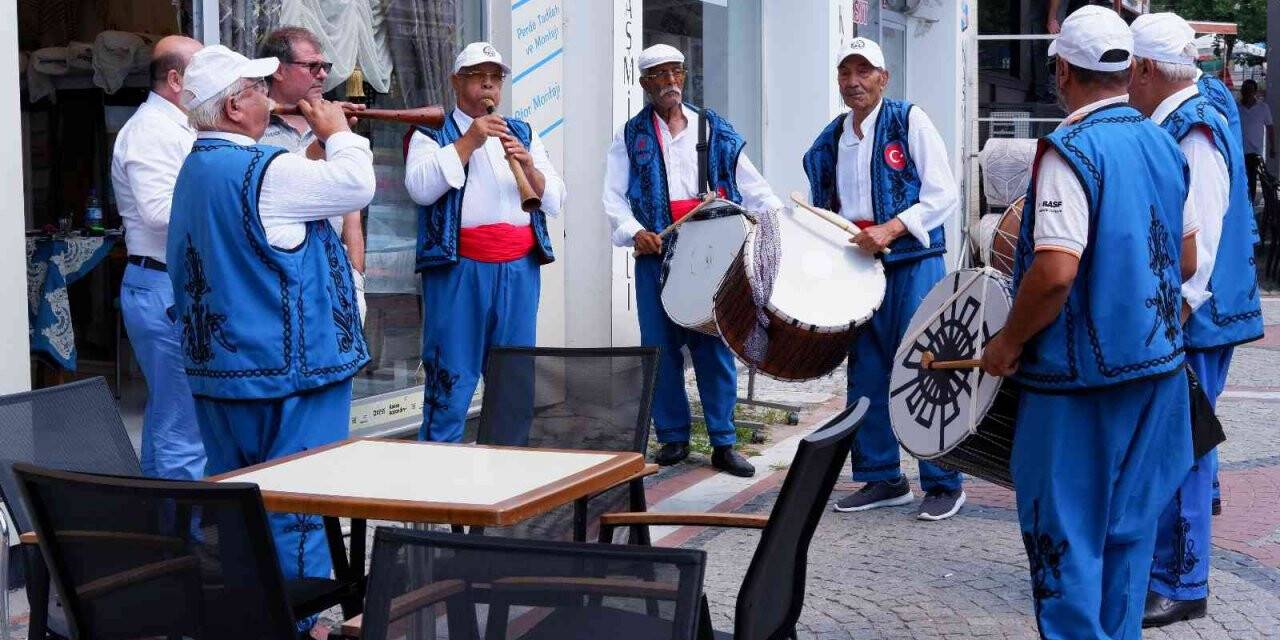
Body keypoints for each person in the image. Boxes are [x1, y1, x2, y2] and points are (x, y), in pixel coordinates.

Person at [980, 7, 1196, 637]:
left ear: (1063, 72)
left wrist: (1007, 342)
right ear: (1129, 71)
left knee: (1065, 543)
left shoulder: (1068, 151)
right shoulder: (1162, 140)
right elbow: (1185, 257)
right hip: (1158, 373)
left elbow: (1054, 273)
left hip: (1078, 386)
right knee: (1128, 535)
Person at [167, 45, 373, 599]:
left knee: (238, 510)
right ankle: (296, 622)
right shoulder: (264, 171)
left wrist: (315, 148)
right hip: (292, 376)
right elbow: (356, 185)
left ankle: (246, 615)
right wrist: (339, 135)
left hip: (222, 374)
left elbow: (267, 214)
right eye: (258, 89)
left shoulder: (194, 169)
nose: (268, 96)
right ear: (234, 107)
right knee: (297, 512)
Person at [1128, 13, 1265, 627]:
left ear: (1146, 69)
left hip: (1196, 315)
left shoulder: (1192, 127)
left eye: (1127, 70)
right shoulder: (1189, 115)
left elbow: (1199, 242)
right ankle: (1176, 565)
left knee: (1183, 445)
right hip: (1200, 312)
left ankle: (1181, 582)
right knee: (1184, 442)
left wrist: (1171, 316)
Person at [803, 37, 965, 519]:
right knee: (867, 370)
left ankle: (944, 481)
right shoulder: (829, 139)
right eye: (845, 72)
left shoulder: (909, 120)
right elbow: (823, 206)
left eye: (864, 71)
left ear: (883, 77)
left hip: (913, 259)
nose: (853, 82)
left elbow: (943, 194)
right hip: (859, 266)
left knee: (927, 368)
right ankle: (882, 477)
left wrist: (891, 228)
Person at [602, 44, 780, 477]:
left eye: (675, 73)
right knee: (660, 347)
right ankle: (673, 436)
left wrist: (772, 223)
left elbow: (754, 187)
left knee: (713, 344)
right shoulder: (631, 135)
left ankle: (723, 440)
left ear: (683, 76)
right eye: (659, 75)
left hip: (711, 252)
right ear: (644, 83)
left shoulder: (713, 127)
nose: (670, 82)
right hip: (657, 252)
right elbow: (613, 198)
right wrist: (634, 232)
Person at [404, 42, 565, 444]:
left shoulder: (523, 132)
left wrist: (528, 165)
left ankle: (506, 466)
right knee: (450, 375)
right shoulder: (431, 133)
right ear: (456, 82)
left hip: (519, 269)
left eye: (495, 78)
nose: (489, 85)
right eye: (478, 77)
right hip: (459, 270)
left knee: (514, 378)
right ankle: (438, 470)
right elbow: (420, 189)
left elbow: (556, 198)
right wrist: (469, 142)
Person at [111, 35, 206, 482]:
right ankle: (186, 524)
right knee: (184, 424)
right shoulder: (151, 130)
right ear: (175, 79)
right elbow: (158, 213)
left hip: (167, 283)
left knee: (171, 414)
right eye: (202, 71)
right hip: (164, 284)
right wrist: (225, 202)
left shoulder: (176, 125)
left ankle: (160, 518)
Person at [259, 26, 368, 321]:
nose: (322, 75)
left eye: (325, 66)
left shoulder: (334, 126)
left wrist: (356, 281)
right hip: (271, 282)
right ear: (278, 70)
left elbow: (351, 216)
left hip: (330, 279)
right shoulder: (253, 128)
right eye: (312, 66)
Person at [1239, 79, 1275, 204]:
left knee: (1251, 179)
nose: (1247, 92)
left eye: (1250, 89)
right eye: (1245, 89)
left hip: (1254, 151)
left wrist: (1272, 147)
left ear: (1254, 91)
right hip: (1238, 151)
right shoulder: (1236, 108)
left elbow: (1270, 128)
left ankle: (1250, 205)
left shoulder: (1263, 108)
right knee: (1239, 180)